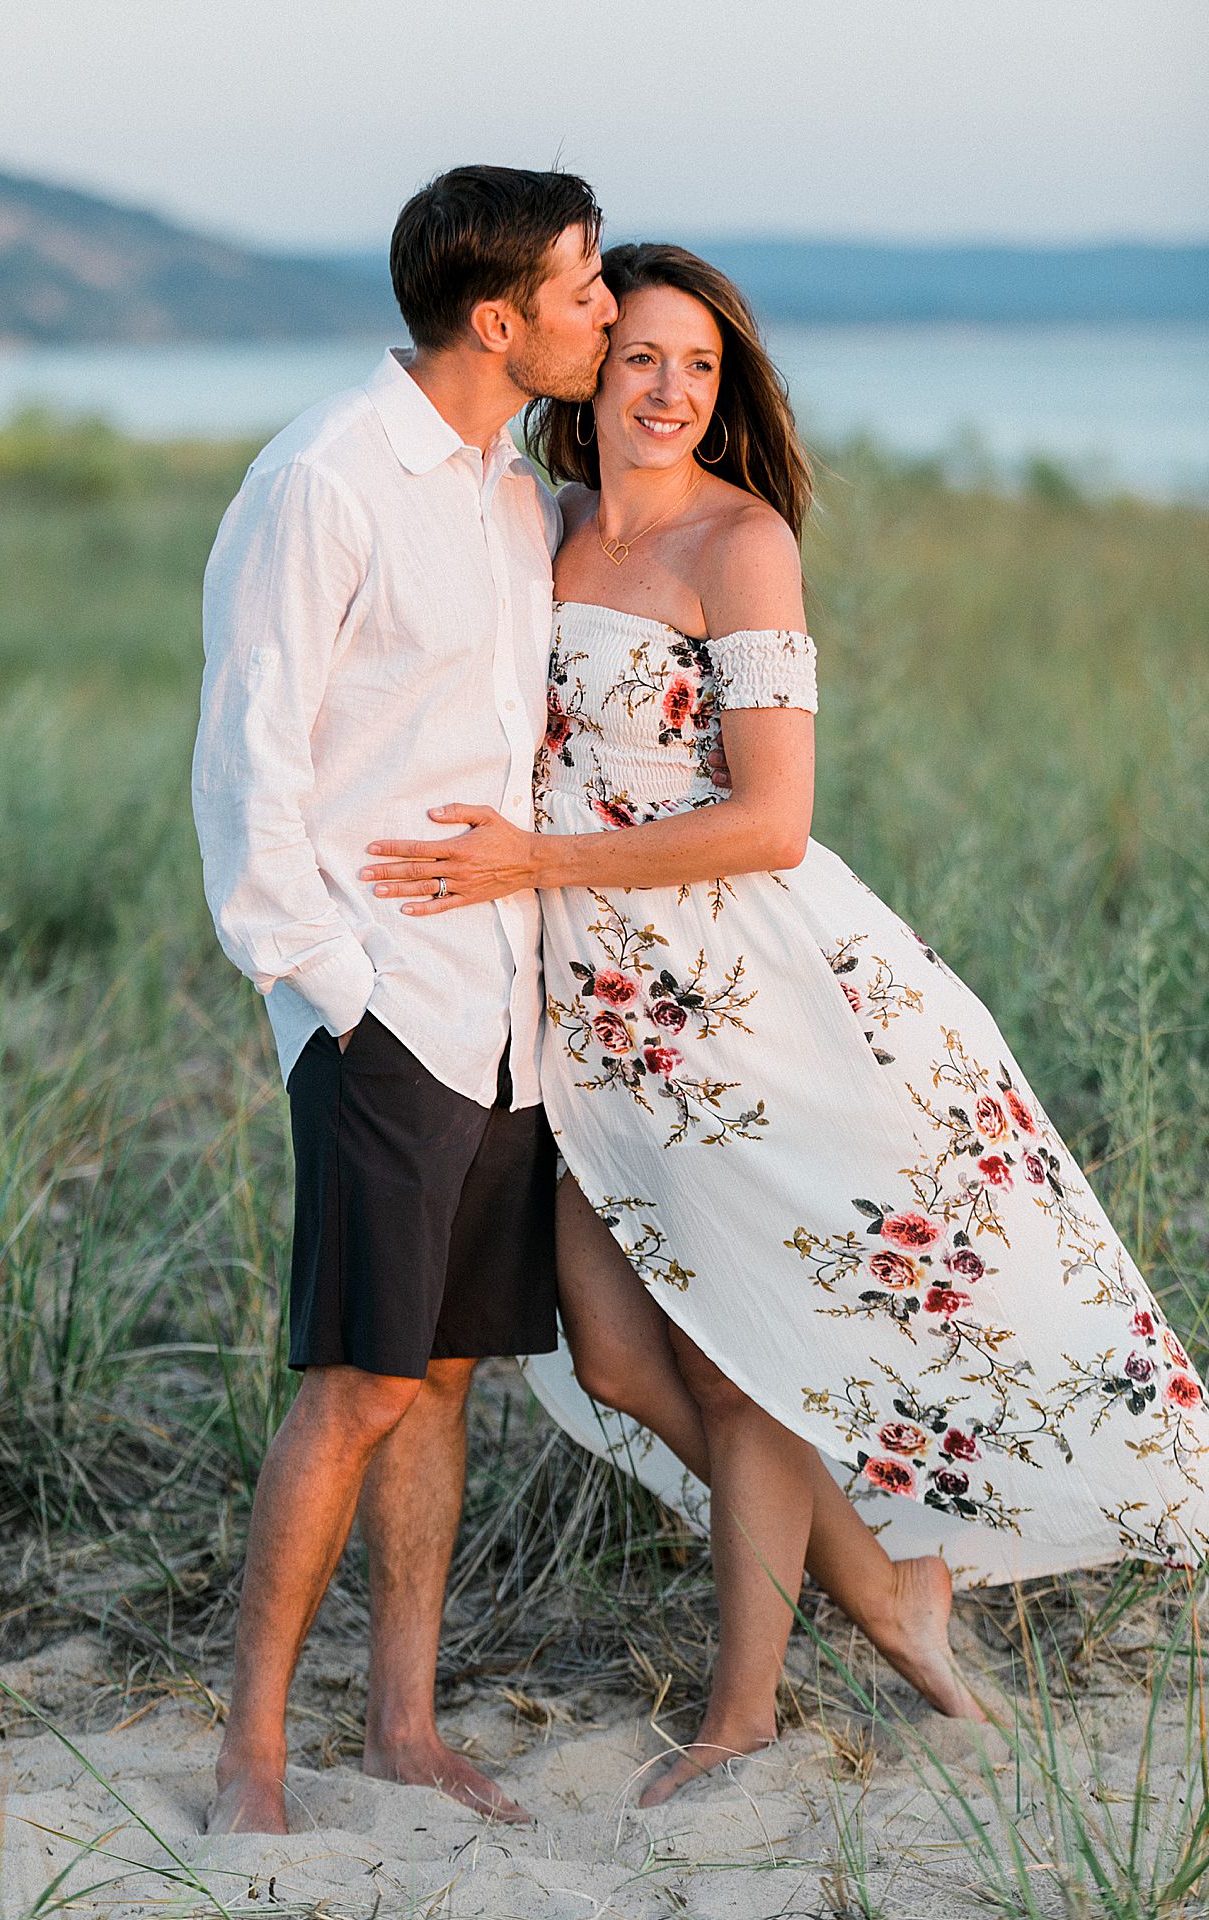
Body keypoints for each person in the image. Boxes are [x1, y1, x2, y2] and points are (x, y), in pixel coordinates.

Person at [362, 241, 1209, 1805]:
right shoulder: (533, 533)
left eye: (700, 365)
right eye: (639, 358)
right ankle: (887, 1577)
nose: (670, 390)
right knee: (616, 1358)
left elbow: (771, 820)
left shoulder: (737, 544)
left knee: (747, 1361)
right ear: (586, 375)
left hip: (742, 1004)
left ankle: (742, 1715)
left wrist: (536, 859)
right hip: (592, 1022)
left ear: (725, 389)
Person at [191, 165, 618, 1834]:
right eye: (584, 290)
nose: (602, 309)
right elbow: (249, 761)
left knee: (439, 1372)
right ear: (497, 318)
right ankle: (253, 1754)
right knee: (356, 1378)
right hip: (386, 1007)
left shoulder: (515, 491)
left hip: (499, 1007)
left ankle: (402, 1729)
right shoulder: (325, 478)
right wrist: (336, 989)